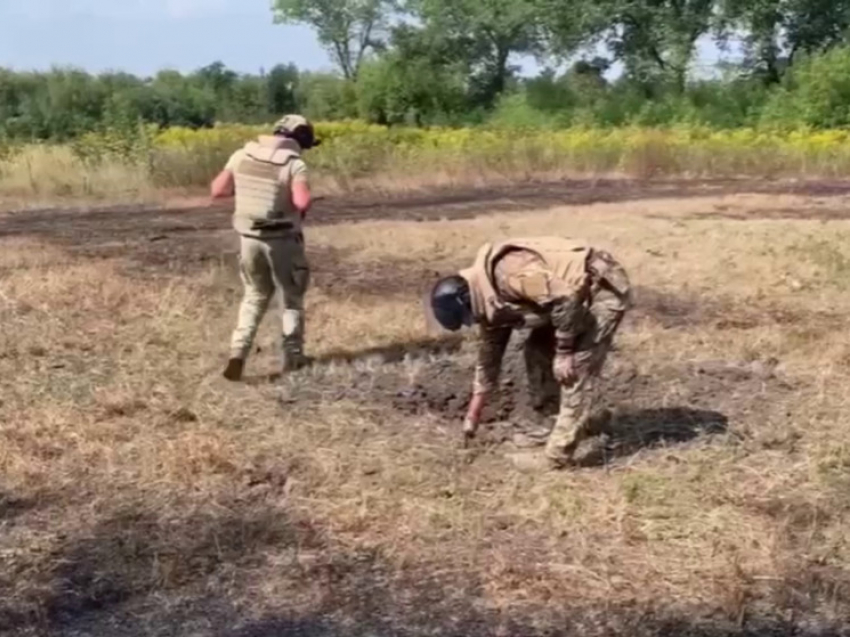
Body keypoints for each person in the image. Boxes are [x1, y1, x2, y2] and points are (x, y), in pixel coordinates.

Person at [428, 237, 632, 470]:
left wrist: (564, 351)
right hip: (565, 301)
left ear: (466, 298)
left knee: (576, 366)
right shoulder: (486, 296)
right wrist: (473, 415)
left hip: (600, 287)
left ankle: (557, 456)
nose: (473, 321)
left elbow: (565, 299)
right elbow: (490, 351)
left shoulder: (513, 275)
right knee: (536, 351)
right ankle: (553, 425)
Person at [210, 114, 320, 381]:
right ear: (300, 139)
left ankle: (238, 353)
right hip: (282, 241)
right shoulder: (294, 165)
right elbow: (302, 202)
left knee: (254, 296)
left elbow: (218, 190)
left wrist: (250, 192)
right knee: (291, 298)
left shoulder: (240, 156)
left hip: (249, 240)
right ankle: (293, 358)